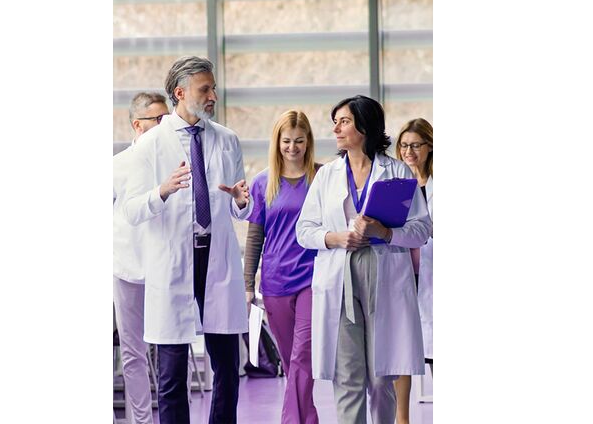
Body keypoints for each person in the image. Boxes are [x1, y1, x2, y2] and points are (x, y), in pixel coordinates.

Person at [123, 56, 252, 424]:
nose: (213, 96)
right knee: (171, 372)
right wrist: (161, 191)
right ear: (180, 93)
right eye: (205, 89)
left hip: (217, 258)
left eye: (213, 88)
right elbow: (131, 210)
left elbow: (238, 206)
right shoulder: (151, 145)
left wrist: (241, 202)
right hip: (174, 261)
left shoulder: (227, 139)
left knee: (227, 365)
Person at [296, 95, 432, 424]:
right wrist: (335, 238)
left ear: (365, 127)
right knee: (347, 375)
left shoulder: (397, 171)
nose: (336, 129)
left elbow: (422, 230)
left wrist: (385, 232)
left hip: (383, 269)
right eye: (336, 122)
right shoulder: (327, 175)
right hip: (340, 272)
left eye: (344, 122)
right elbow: (304, 230)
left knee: (381, 376)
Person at [243, 110, 320, 424]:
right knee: (292, 363)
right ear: (277, 142)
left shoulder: (321, 178)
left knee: (303, 355)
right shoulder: (263, 182)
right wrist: (248, 284)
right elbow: (255, 236)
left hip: (313, 279)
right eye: (286, 141)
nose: (292, 147)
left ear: (308, 141)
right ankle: (308, 418)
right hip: (275, 282)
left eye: (299, 141)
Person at [113, 92, 169, 424]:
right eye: (158, 120)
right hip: (127, 268)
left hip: (165, 270)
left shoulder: (174, 163)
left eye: (168, 119)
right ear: (138, 125)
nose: (165, 126)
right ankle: (142, 421)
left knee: (169, 350)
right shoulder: (116, 166)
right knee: (133, 353)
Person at [393, 118, 434, 423]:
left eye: (415, 145)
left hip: (432, 274)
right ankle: (402, 418)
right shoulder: (396, 184)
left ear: (429, 147)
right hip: (403, 273)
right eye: (404, 145)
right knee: (402, 348)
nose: (408, 152)